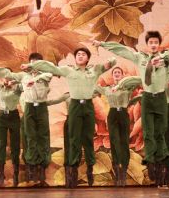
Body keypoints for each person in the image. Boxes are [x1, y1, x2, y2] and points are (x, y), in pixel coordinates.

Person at [93, 31, 169, 186]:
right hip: (147, 98)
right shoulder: (140, 57)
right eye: (150, 42)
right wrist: (103, 44)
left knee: (161, 132)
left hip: (160, 98)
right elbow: (122, 50)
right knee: (148, 132)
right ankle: (151, 162)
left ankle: (160, 166)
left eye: (155, 42)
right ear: (147, 44)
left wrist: (163, 58)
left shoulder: (165, 59)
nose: (153, 45)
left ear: (158, 44)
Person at [22, 47, 115, 187]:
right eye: (78, 54)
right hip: (75, 106)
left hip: (88, 106)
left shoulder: (94, 70)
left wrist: (109, 62)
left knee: (88, 138)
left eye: (83, 54)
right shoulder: (68, 70)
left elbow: (111, 63)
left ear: (87, 58)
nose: (80, 56)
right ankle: (73, 171)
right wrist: (32, 65)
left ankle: (90, 169)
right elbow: (51, 67)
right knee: (74, 139)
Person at [0, 53, 53, 184]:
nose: (34, 65)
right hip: (28, 110)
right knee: (29, 138)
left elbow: (48, 74)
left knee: (43, 137)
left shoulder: (46, 76)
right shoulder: (23, 77)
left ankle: (42, 167)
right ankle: (31, 167)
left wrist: (35, 79)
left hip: (41, 109)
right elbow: (11, 78)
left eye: (37, 63)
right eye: (32, 63)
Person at [94, 67, 141, 186]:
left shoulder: (127, 87)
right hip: (113, 114)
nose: (116, 74)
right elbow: (94, 86)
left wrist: (123, 83)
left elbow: (138, 80)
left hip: (124, 114)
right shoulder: (108, 89)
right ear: (112, 75)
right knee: (114, 142)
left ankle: (124, 171)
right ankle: (117, 170)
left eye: (119, 72)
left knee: (124, 142)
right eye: (114, 73)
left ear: (122, 75)